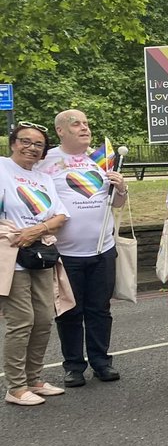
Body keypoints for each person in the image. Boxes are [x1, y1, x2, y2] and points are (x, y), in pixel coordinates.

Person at [40, 110, 127, 386]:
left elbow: (116, 204)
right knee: (69, 311)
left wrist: (122, 189)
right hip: (66, 254)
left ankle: (101, 362)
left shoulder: (100, 159)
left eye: (87, 123)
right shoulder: (46, 161)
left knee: (100, 309)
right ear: (60, 131)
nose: (84, 128)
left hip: (102, 250)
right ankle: (74, 366)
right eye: (76, 124)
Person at [1, 122, 70, 406]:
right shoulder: (2, 168)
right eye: (25, 141)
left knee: (43, 320)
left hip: (39, 254)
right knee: (21, 322)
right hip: (11, 256)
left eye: (38, 144)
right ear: (13, 142)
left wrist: (36, 230)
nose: (31, 147)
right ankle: (15, 387)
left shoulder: (44, 179)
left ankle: (34, 379)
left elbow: (60, 216)